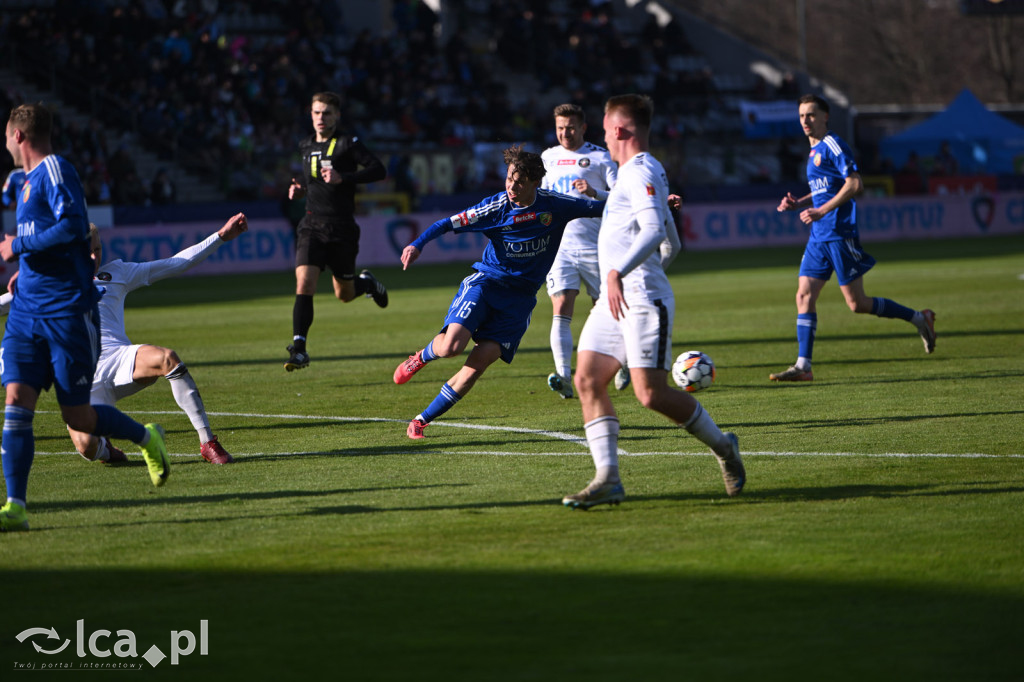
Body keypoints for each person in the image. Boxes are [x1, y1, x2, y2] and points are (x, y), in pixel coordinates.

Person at [565, 94, 745, 510]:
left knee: (651, 395)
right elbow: (672, 242)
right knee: (588, 380)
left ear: (621, 131)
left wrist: (618, 273)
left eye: (606, 129)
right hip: (617, 299)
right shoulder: (631, 174)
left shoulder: (641, 169)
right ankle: (608, 478)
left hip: (641, 299)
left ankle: (724, 448)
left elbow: (651, 230)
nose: (603, 138)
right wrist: (629, 275)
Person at [0, 104, 170, 532]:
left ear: (18, 136)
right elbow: (49, 241)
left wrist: (18, 247)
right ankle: (16, 506)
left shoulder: (56, 170)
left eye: (6, 136)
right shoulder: (22, 181)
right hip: (26, 313)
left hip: (66, 313)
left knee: (78, 417)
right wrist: (30, 267)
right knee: (16, 403)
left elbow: (74, 227)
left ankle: (147, 438)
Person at [393, 145, 604, 439]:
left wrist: (657, 205)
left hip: (519, 301)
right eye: (508, 179)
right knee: (451, 347)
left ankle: (421, 420)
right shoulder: (495, 208)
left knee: (478, 364)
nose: (512, 187)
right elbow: (446, 223)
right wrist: (417, 244)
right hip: (486, 285)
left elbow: (604, 208)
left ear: (535, 182)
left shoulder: (556, 206)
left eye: (519, 182)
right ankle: (423, 356)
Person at [771, 94, 936, 382]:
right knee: (803, 295)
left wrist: (821, 210)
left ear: (825, 117)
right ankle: (803, 366)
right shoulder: (813, 151)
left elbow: (855, 183)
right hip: (818, 236)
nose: (805, 121)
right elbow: (827, 186)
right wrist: (800, 203)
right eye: (801, 116)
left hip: (839, 232)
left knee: (857, 303)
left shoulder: (833, 144)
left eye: (811, 115)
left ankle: (920, 318)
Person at [62, 216, 249, 465]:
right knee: (87, 447)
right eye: (88, 252)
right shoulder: (51, 284)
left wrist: (220, 237)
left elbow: (174, 264)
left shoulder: (116, 272)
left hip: (120, 360)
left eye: (98, 249)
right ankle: (106, 449)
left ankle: (208, 442)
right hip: (83, 381)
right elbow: (9, 301)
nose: (95, 258)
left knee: (167, 358)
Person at [285, 91, 389, 372]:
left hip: (342, 228)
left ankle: (366, 283)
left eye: (327, 113)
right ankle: (299, 349)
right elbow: (315, 182)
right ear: (311, 114)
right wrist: (300, 190)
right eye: (317, 112)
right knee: (304, 282)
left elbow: (379, 170)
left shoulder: (347, 143)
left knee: (344, 294)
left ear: (337, 115)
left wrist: (346, 178)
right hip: (311, 225)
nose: (321, 118)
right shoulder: (305, 145)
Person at [539, 103, 633, 399]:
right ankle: (564, 375)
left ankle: (623, 362)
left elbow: (621, 198)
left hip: (596, 246)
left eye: (569, 127)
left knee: (606, 309)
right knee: (561, 307)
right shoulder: (549, 157)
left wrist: (594, 193)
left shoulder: (600, 156)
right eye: (559, 128)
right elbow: (541, 194)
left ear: (582, 128)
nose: (564, 133)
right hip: (559, 247)